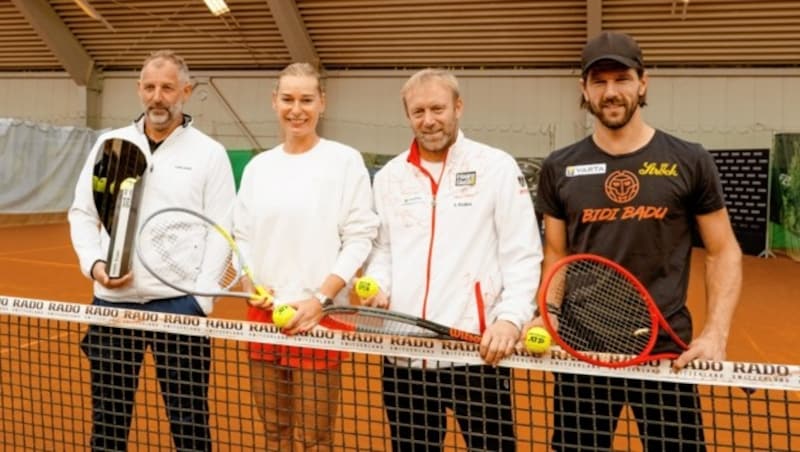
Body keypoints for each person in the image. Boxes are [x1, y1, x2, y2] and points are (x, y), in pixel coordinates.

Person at [530, 31, 743, 450]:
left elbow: (723, 251)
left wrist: (716, 333)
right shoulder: (559, 167)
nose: (611, 92)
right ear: (584, 90)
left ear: (643, 82)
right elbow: (557, 253)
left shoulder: (690, 159)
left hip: (666, 352)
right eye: (599, 81)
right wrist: (549, 313)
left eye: (622, 79)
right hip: (584, 352)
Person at [363, 68, 543, 451]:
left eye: (437, 108)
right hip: (405, 357)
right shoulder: (389, 177)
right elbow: (383, 250)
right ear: (407, 115)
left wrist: (510, 319)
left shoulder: (496, 167)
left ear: (458, 107)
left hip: (475, 356)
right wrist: (379, 285)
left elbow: (522, 254)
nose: (428, 120)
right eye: (418, 111)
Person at [68, 50, 236, 451]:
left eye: (167, 87)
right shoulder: (109, 145)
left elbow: (222, 229)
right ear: (138, 90)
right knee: (108, 420)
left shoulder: (209, 153)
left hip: (178, 306)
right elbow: (81, 212)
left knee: (189, 420)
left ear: (186, 91)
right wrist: (94, 266)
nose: (157, 97)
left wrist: (200, 300)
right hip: (112, 303)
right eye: (149, 87)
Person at [233, 62, 378, 451]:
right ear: (274, 101)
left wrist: (321, 299)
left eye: (306, 100)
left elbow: (360, 237)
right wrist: (251, 286)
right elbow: (242, 236)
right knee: (274, 432)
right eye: (288, 99)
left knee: (315, 438)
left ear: (322, 103)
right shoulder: (259, 167)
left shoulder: (344, 161)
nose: (296, 109)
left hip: (321, 318)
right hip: (263, 315)